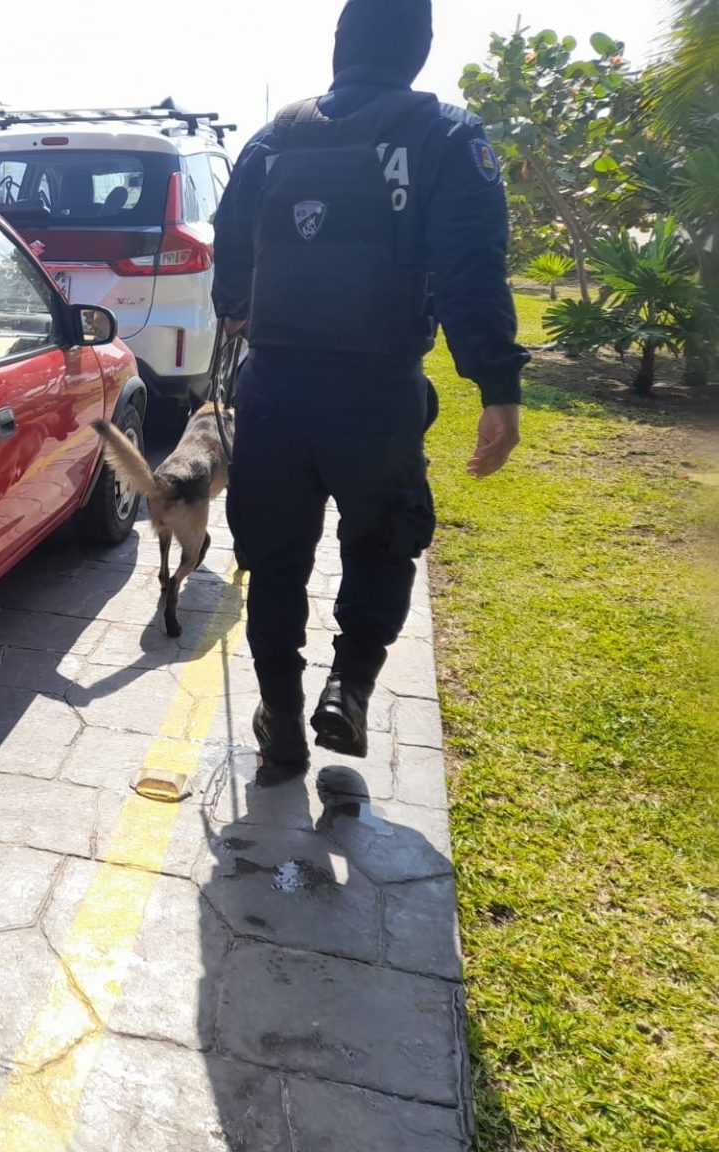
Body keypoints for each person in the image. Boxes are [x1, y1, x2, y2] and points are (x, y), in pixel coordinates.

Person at [211, 0, 528, 770]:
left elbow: (230, 243)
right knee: (383, 543)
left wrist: (241, 309)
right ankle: (348, 689)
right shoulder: (446, 133)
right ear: (419, 49)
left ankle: (281, 715)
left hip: (274, 390)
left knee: (274, 558)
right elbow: (471, 266)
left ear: (340, 46)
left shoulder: (274, 135)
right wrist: (496, 387)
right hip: (377, 393)